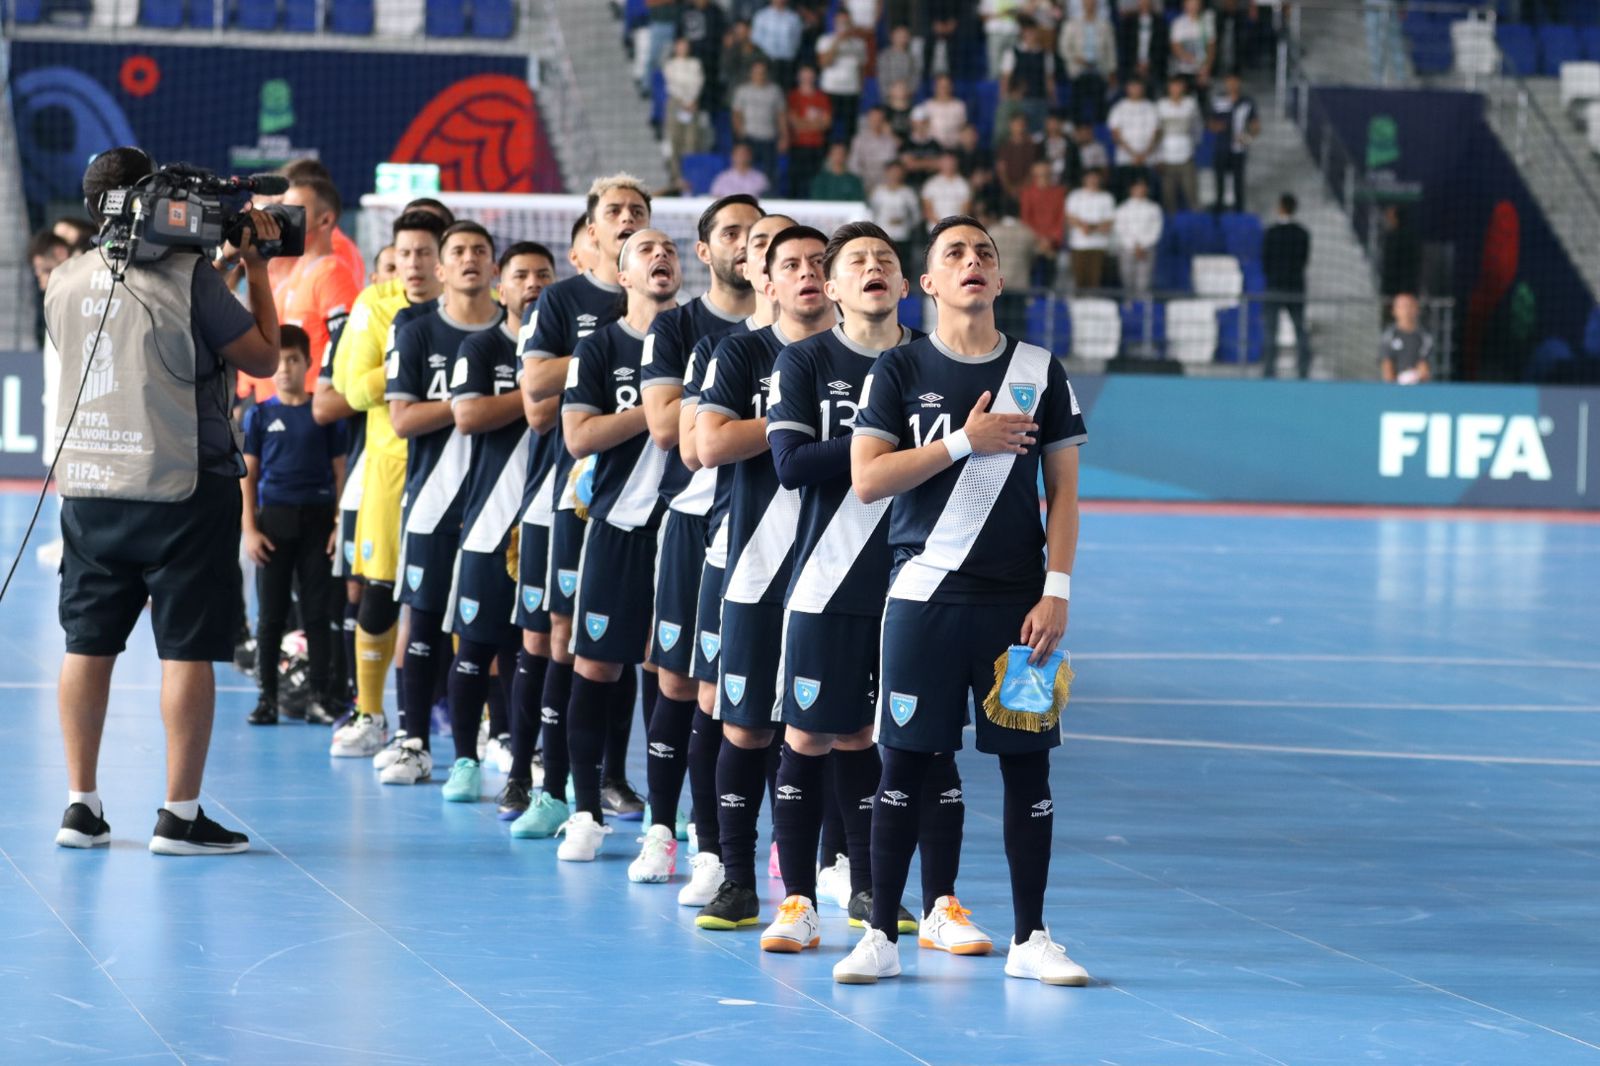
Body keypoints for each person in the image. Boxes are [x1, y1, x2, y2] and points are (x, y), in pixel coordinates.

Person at [839, 213, 1090, 986]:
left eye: (984, 253)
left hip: (1020, 611)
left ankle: (1030, 938)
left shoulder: (1040, 371)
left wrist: (1057, 592)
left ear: (1000, 279)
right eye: (955, 254)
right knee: (904, 766)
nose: (972, 261)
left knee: (1028, 770)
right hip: (923, 602)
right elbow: (867, 479)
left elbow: (1066, 493)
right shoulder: (899, 372)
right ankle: (880, 933)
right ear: (931, 283)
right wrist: (961, 442)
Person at [47, 146, 283, 855]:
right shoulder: (189, 278)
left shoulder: (64, 277)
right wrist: (260, 270)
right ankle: (179, 816)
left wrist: (218, 277)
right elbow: (265, 357)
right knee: (186, 650)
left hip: (89, 486)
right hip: (181, 486)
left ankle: (80, 807)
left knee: (86, 643)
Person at [761, 222, 984, 954]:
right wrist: (881, 449)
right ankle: (797, 901)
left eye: (885, 259)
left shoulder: (936, 361)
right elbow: (790, 464)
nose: (872, 269)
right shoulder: (803, 360)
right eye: (855, 261)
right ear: (831, 285)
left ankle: (934, 900)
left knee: (925, 746)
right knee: (814, 734)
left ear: (905, 280)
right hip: (828, 577)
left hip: (921, 580)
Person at [691, 224, 836, 930]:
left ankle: (852, 875)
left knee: (843, 731)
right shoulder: (740, 351)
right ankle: (736, 878)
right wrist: (791, 426)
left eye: (819, 262)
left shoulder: (876, 359)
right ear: (766, 282)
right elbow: (709, 443)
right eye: (791, 265)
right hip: (752, 567)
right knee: (745, 729)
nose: (808, 273)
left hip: (844, 571)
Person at [390, 242, 555, 800]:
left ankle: (514, 743)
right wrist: (536, 391)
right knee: (472, 641)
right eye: (521, 275)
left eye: (543, 275)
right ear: (500, 287)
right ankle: (455, 756)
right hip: (482, 517)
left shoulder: (575, 349)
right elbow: (468, 414)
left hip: (542, 519)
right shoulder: (481, 346)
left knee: (527, 644)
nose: (532, 283)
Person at [664, 212, 793, 905]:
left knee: (817, 715)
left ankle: (811, 855)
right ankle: (713, 850)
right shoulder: (728, 350)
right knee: (722, 702)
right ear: (751, 269)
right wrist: (793, 427)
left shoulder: (855, 351)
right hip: (733, 546)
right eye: (761, 246)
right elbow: (695, 448)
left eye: (790, 247)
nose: (768, 253)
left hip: (823, 556)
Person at [635, 195, 764, 882]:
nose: (747, 243)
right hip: (694, 522)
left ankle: (762, 843)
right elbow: (669, 432)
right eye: (731, 233)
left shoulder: (810, 330)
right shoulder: (680, 328)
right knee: (682, 682)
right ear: (706, 252)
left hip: (774, 521)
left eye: (755, 231)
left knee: (753, 692)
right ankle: (670, 831)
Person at [523, 174, 656, 823]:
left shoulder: (671, 312)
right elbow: (535, 390)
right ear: (592, 233)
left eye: (638, 210)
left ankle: (615, 778)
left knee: (644, 645)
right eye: (615, 211)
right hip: (578, 495)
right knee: (565, 634)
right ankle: (554, 786)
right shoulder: (565, 300)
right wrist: (606, 351)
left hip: (654, 501)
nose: (627, 217)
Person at [550, 230, 684, 862]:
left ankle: (663, 821)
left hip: (685, 527)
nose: (661, 257)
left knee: (672, 674)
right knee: (597, 666)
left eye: (670, 250)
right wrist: (660, 408)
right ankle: (584, 809)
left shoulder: (703, 340)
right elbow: (578, 437)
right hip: (615, 528)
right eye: (646, 251)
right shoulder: (601, 346)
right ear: (622, 274)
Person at [383, 222, 506, 796]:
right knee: (425, 618)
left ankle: (501, 735)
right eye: (457, 252)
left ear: (493, 265)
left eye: (480, 251)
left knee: (501, 629)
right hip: (433, 501)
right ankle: (413, 740)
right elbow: (402, 419)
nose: (469, 260)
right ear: (440, 268)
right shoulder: (418, 332)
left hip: (500, 502)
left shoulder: (517, 336)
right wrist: (467, 403)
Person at [328, 207, 450, 761]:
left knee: (461, 598)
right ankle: (371, 713)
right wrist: (409, 358)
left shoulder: (478, 313)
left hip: (459, 469)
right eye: (405, 254)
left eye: (426, 253)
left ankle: (489, 729)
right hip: (387, 468)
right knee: (379, 594)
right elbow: (351, 391)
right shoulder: (373, 306)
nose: (414, 265)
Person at [241, 324, 345, 727]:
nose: (284, 368)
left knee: (317, 614)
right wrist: (250, 528)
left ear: (307, 364)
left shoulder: (323, 413)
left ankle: (319, 695)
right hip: (275, 524)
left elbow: (340, 473)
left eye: (293, 360)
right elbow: (248, 476)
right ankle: (267, 698)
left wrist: (338, 524)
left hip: (318, 522)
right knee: (271, 615)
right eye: (279, 361)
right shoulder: (261, 415)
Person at [243, 176, 362, 405]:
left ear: (325, 221)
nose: (283, 219)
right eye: (282, 208)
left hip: (311, 409)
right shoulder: (297, 270)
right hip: (279, 405)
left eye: (293, 211)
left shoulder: (333, 274)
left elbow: (347, 348)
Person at [1262, 193, 1313, 378]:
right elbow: (1304, 260)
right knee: (1300, 330)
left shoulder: (1271, 233)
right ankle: (1303, 370)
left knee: (1271, 331)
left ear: (1281, 207)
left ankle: (1269, 371)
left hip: (1275, 287)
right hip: (1295, 288)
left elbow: (1265, 261)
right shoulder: (1302, 233)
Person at [1059, 0, 1118, 126]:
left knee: (1100, 104)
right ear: (1082, 5)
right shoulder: (1072, 24)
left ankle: (1099, 129)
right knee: (1077, 104)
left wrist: (1111, 71)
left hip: (1098, 70)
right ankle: (1076, 128)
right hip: (1078, 70)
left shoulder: (1105, 25)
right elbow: (1063, 48)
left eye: (1092, 3)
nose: (1090, 5)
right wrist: (1077, 58)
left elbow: (1111, 50)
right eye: (1087, 3)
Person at [1208, 73, 1259, 213]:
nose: (1231, 85)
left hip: (1239, 149)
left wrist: (1247, 137)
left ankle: (1239, 210)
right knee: (1219, 180)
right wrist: (1218, 127)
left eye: (1234, 81)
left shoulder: (1247, 102)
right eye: (1228, 81)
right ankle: (1219, 208)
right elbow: (1211, 123)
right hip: (1221, 148)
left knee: (1238, 181)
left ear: (1239, 82)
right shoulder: (1219, 100)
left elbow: (1255, 126)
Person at [816, 10, 869, 143]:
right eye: (840, 22)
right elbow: (824, 63)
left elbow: (862, 69)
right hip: (830, 89)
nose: (843, 25)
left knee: (850, 129)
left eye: (846, 22)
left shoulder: (860, 44)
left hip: (851, 91)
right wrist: (837, 41)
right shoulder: (825, 40)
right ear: (834, 23)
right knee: (827, 127)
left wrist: (860, 89)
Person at [731, 61, 787, 184]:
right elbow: (736, 114)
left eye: (762, 72)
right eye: (756, 72)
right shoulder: (743, 91)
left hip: (769, 137)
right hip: (749, 137)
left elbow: (781, 115)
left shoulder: (775, 91)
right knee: (747, 171)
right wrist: (741, 135)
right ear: (751, 74)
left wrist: (784, 136)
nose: (759, 75)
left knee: (770, 174)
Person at [663, 37, 707, 190]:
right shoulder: (670, 64)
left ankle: (690, 175)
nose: (683, 49)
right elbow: (671, 84)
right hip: (676, 103)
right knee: (675, 139)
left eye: (685, 46)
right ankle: (676, 176)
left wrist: (692, 100)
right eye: (680, 46)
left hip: (692, 104)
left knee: (691, 140)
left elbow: (698, 81)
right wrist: (683, 100)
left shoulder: (695, 63)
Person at [1001, 19, 1058, 132]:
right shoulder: (1012, 52)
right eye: (1027, 31)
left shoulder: (1045, 54)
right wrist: (1005, 97)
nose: (1030, 35)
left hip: (1040, 98)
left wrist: (1053, 99)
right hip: (1020, 100)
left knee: (1040, 133)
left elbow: (1049, 79)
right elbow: (1006, 78)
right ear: (1022, 33)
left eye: (1033, 31)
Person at [1155, 75, 1201, 213]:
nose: (1176, 89)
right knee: (1168, 197)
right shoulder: (1160, 105)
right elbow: (1157, 132)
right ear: (1168, 87)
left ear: (1184, 87)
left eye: (1179, 85)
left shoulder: (1191, 104)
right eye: (1173, 85)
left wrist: (1193, 147)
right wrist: (1158, 156)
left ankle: (1196, 225)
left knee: (1192, 195)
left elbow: (1197, 128)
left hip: (1186, 156)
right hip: (1167, 158)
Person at [1108, 76, 1159, 199]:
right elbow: (1115, 134)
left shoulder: (1151, 107)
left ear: (1143, 88)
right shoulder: (1119, 108)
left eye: (1138, 86)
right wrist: (1133, 155)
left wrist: (1144, 154)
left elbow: (1156, 133)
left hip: (1147, 161)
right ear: (1127, 88)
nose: (1135, 89)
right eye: (1132, 86)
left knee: (1148, 196)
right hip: (1125, 160)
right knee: (1124, 196)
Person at [787, 66, 833, 198]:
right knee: (795, 180)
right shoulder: (793, 96)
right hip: (798, 144)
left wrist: (804, 124)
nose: (807, 79)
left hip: (817, 145)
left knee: (816, 181)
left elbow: (826, 123)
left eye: (810, 75)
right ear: (799, 77)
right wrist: (814, 124)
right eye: (804, 75)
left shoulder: (821, 97)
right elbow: (795, 124)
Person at [1065, 168, 1115, 291]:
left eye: (1095, 177)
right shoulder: (1075, 195)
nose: (1092, 180)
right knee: (1079, 280)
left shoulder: (1107, 197)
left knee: (1096, 281)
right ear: (1084, 179)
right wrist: (1083, 226)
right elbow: (1069, 217)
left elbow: (1110, 221)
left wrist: (1092, 228)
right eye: (1090, 177)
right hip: (1078, 244)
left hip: (1099, 245)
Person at [1113, 175, 1162, 296]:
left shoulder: (1154, 208)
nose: (1140, 190)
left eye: (1142, 187)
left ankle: (1144, 309)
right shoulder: (1122, 209)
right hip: (1127, 249)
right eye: (1137, 187)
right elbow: (1120, 229)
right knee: (1127, 281)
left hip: (1147, 249)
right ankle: (1128, 307)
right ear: (1131, 189)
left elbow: (1156, 230)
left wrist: (1142, 245)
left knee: (1144, 283)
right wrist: (1134, 246)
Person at [1020, 160, 1066, 288]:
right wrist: (1039, 240)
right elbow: (1026, 219)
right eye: (1039, 175)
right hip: (1034, 242)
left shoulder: (1059, 193)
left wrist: (1051, 240)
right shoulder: (1027, 193)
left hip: (1053, 243)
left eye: (1046, 174)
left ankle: (1049, 298)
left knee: (1052, 272)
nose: (1043, 178)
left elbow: (1061, 219)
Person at [870, 161, 924, 268]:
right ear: (887, 173)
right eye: (892, 172)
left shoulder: (908, 192)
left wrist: (908, 226)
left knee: (903, 266)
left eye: (898, 172)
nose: (895, 174)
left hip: (903, 235)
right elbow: (871, 212)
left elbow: (916, 214)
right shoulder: (878, 192)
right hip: (883, 234)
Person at [1381, 294, 1434, 385]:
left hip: (1417, 388)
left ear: (1417, 310)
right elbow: (1387, 368)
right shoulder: (1388, 336)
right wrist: (1397, 383)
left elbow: (1424, 368)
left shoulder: (1424, 337)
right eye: (1401, 306)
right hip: (1394, 388)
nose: (1406, 310)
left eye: (1410, 306)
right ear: (1394, 311)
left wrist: (1412, 377)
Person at [848, 107, 902, 193]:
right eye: (873, 119)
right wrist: (863, 182)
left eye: (879, 119)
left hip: (885, 186)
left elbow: (892, 166)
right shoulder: (859, 140)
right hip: (864, 184)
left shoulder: (890, 141)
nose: (876, 122)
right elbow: (853, 165)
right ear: (868, 120)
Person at [1117, 0, 1169, 90]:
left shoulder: (1160, 23)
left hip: (1154, 68)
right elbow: (1125, 48)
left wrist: (1149, 64)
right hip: (1132, 67)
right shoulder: (1128, 22)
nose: (1145, 3)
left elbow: (1162, 49)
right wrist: (1136, 65)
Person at [751, 0, 804, 88]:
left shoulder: (794, 18)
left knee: (786, 90)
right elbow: (756, 40)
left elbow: (796, 40)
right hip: (768, 61)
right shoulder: (761, 16)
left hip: (787, 63)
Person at [1171, 0, 1217, 96]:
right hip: (1184, 70)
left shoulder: (1206, 22)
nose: (1193, 7)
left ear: (1200, 6)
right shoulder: (1178, 23)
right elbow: (1176, 48)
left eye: (1196, 4)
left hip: (1203, 70)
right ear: (1185, 5)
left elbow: (1211, 47)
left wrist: (1206, 68)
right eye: (1190, 4)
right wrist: (1193, 61)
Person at [996, 114, 1041, 212]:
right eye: (1016, 124)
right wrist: (1009, 188)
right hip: (1008, 189)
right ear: (1010, 126)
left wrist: (1022, 187)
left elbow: (1033, 170)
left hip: (1028, 187)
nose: (1019, 127)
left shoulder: (1032, 146)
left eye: (1021, 124)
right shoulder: (1004, 146)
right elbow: (1001, 170)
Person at [913, 75, 968, 151]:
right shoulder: (927, 105)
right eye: (941, 86)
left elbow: (963, 127)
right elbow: (920, 128)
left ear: (952, 87)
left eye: (947, 86)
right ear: (935, 87)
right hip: (932, 147)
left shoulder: (959, 105)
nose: (944, 89)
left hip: (955, 146)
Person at [922, 153, 974, 227]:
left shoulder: (963, 184)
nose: (948, 165)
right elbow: (927, 210)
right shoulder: (931, 184)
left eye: (951, 163)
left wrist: (953, 225)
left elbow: (966, 210)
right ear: (940, 163)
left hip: (957, 228)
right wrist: (941, 225)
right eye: (945, 163)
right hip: (934, 228)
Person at [877, 24, 922, 95]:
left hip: (907, 95)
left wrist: (907, 91)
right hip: (888, 96)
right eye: (898, 35)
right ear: (892, 36)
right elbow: (882, 78)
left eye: (904, 36)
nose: (901, 38)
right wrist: (892, 91)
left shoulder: (912, 57)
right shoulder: (884, 56)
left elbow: (915, 77)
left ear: (908, 38)